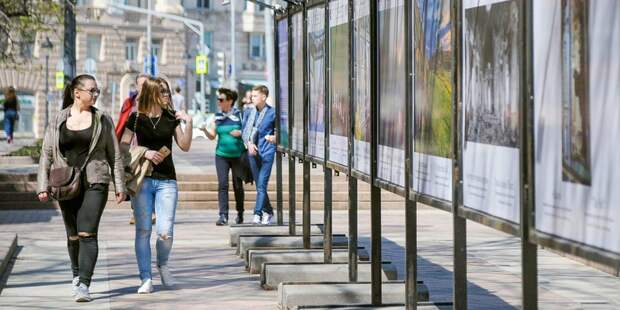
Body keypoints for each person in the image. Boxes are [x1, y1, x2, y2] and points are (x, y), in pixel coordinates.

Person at [36, 74, 126, 302]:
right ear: (77, 93)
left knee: (88, 232)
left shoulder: (102, 119)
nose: (96, 95)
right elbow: (46, 154)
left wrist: (120, 185)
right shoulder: (58, 119)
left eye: (97, 91)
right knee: (73, 235)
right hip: (65, 182)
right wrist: (42, 186)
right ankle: (76, 274)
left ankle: (85, 284)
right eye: (92, 91)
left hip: (96, 181)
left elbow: (114, 155)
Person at [120, 76, 193, 294]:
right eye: (162, 92)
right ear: (152, 93)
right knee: (143, 230)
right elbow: (123, 147)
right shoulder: (135, 118)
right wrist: (144, 152)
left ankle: (163, 264)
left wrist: (188, 123)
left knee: (165, 232)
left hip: (167, 180)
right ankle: (145, 277)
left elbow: (185, 146)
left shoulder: (171, 116)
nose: (167, 96)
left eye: (168, 92)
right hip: (143, 180)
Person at [201, 88, 246, 225]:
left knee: (238, 185)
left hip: (238, 155)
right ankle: (223, 215)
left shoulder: (239, 115)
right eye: (218, 100)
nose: (219, 102)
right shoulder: (218, 116)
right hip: (221, 155)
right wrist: (205, 131)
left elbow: (248, 131)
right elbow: (213, 136)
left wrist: (240, 132)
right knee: (222, 184)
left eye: (221, 100)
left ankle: (240, 213)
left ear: (230, 101)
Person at [242, 85, 276, 225]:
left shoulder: (273, 113)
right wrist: (249, 144)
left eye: (255, 96)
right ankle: (269, 211)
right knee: (259, 186)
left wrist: (275, 138)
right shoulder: (248, 112)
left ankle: (257, 213)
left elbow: (280, 132)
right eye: (252, 96)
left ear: (263, 97)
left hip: (267, 152)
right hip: (252, 154)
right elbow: (244, 132)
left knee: (262, 185)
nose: (252, 98)